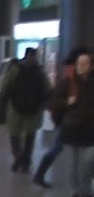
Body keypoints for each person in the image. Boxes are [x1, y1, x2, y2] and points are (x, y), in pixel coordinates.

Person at [33, 46, 89, 188]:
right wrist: (68, 102)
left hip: (69, 120)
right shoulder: (71, 77)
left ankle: (40, 174)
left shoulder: (69, 72)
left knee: (61, 148)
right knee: (60, 148)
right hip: (68, 120)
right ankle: (40, 174)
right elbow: (56, 100)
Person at [49, 52, 94, 197]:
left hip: (90, 129)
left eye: (85, 63)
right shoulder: (68, 82)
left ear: (91, 66)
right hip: (71, 128)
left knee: (87, 161)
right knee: (73, 163)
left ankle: (85, 191)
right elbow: (54, 101)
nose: (82, 67)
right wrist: (67, 102)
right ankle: (74, 194)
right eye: (79, 64)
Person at [1, 47, 51, 174]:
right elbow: (48, 89)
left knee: (14, 135)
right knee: (30, 137)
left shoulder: (15, 69)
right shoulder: (40, 70)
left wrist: (4, 100)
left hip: (15, 108)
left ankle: (18, 156)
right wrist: (44, 104)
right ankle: (26, 163)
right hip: (34, 110)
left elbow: (5, 87)